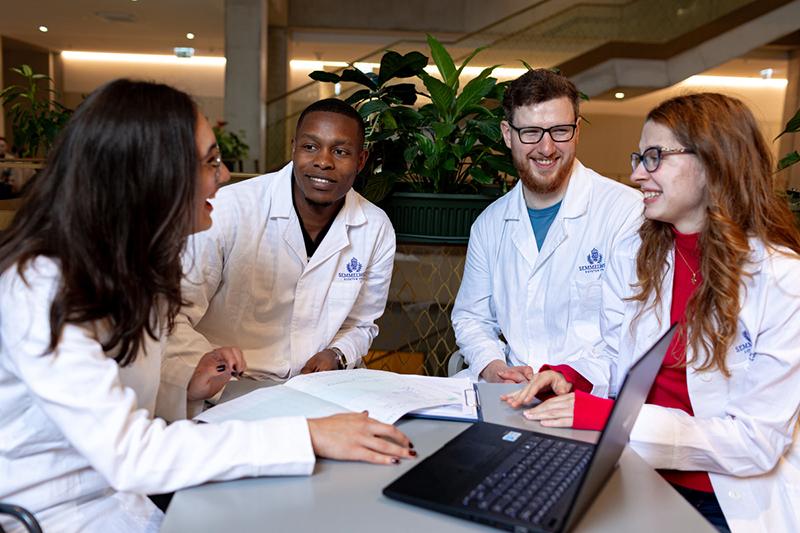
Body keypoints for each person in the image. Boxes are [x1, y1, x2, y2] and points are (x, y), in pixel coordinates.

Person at [0, 80, 414, 533]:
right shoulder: (43, 286)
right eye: (210, 162)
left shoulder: (131, 268)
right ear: (153, 173)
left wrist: (190, 386)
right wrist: (309, 435)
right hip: (59, 512)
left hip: (123, 493)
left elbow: (128, 402)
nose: (224, 177)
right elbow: (130, 453)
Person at [505, 93, 800, 532]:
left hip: (723, 497)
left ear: (713, 163)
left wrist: (612, 420)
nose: (636, 174)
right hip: (632, 469)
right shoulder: (639, 252)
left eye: (654, 157)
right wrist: (574, 377)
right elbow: (620, 356)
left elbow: (755, 442)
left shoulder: (780, 280)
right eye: (639, 157)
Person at [161, 98, 395, 417]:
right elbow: (174, 313)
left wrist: (337, 353)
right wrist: (205, 370)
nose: (323, 162)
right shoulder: (228, 210)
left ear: (361, 159)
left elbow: (363, 322)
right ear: (293, 147)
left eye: (340, 152)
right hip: (229, 390)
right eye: (311, 147)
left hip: (319, 392)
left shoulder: (375, 227)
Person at [451, 68, 642, 383]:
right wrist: (493, 367)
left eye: (559, 131)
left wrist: (567, 378)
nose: (547, 148)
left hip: (587, 393)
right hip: (509, 392)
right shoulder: (490, 224)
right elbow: (472, 318)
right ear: (507, 134)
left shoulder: (625, 213)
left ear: (577, 130)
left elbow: (632, 336)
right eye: (531, 133)